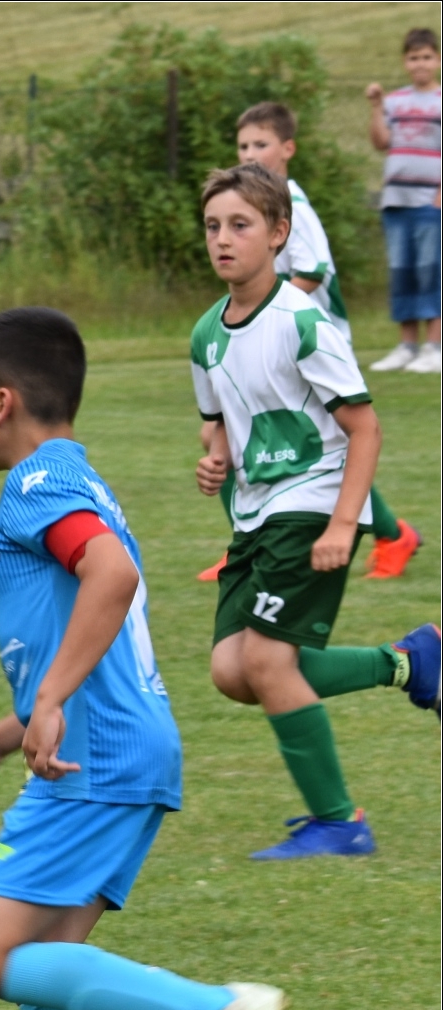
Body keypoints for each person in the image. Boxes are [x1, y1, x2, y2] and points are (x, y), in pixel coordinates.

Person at [0, 305, 284, 1010]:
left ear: (2, 402)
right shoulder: (74, 477)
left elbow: (111, 576)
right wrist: (3, 734)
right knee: (47, 969)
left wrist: (47, 702)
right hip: (113, 750)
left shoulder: (39, 483)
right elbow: (92, 630)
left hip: (99, 759)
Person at [189, 166, 439, 861]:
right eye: (213, 226)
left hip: (312, 504)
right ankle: (410, 663)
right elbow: (219, 424)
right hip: (255, 518)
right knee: (233, 671)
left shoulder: (303, 322)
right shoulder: (206, 333)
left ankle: (340, 823)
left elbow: (365, 429)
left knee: (267, 660)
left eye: (240, 225)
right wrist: (215, 459)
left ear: (279, 234)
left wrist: (343, 524)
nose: (223, 239)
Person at [194, 102, 422, 581]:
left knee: (319, 449)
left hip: (311, 343)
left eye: (260, 144)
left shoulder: (293, 205)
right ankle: (248, 538)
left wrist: (263, 314)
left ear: (287, 149)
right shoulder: (248, 205)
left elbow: (313, 271)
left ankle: (387, 534)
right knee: (227, 435)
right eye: (243, 145)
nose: (249, 153)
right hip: (273, 340)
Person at [366, 28, 442, 374]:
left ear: (437, 60)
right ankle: (407, 346)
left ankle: (434, 347)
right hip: (396, 201)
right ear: (405, 61)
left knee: (431, 272)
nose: (420, 63)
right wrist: (376, 107)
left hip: (430, 202)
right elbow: (381, 142)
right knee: (403, 273)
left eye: (426, 57)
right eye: (413, 58)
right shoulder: (394, 101)